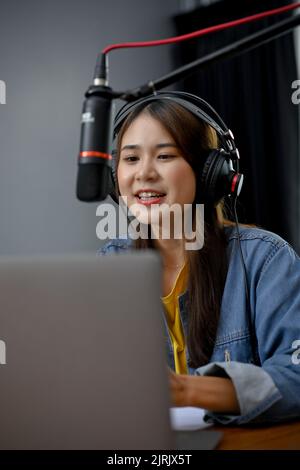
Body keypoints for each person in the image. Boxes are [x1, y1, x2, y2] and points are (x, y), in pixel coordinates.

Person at [98, 92, 300, 425]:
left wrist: (187, 390)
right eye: (131, 159)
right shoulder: (110, 266)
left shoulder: (267, 259)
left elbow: (295, 375)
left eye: (164, 156)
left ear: (210, 173)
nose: (144, 173)